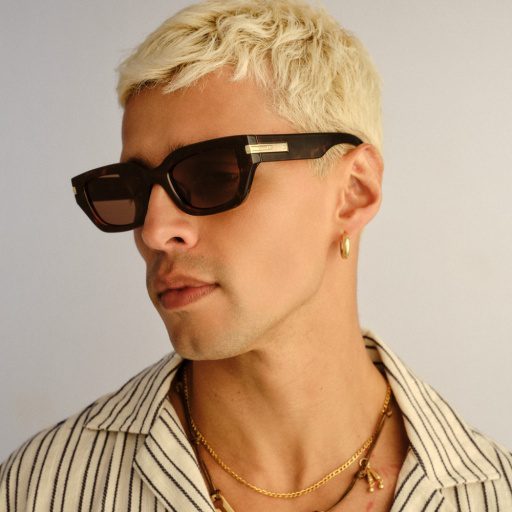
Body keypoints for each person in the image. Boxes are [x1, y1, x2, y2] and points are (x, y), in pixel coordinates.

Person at [1, 1, 511, 510]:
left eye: (212, 175)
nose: (154, 231)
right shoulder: (36, 491)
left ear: (353, 192)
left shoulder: (492, 494)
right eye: (132, 190)